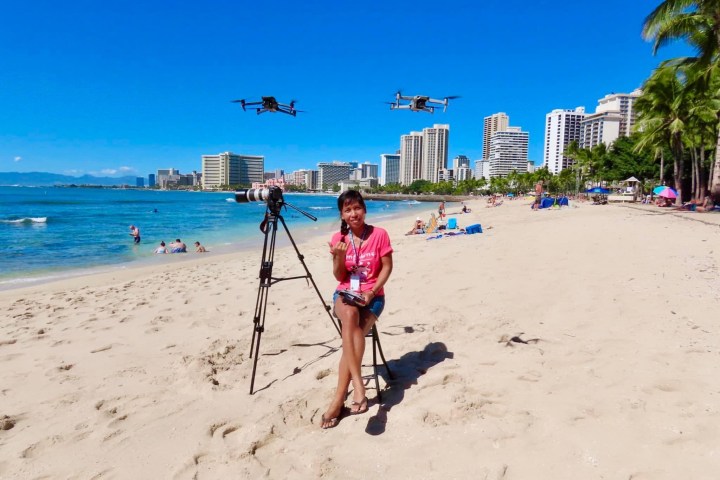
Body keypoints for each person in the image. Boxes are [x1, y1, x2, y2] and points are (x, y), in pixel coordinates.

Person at [321, 190, 393, 429]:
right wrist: (339, 257)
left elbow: (387, 268)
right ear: (342, 215)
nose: (354, 214)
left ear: (364, 209)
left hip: (373, 297)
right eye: (348, 210)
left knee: (352, 334)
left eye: (357, 208)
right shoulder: (338, 239)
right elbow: (339, 276)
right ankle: (359, 386)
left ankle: (337, 400)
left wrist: (371, 293)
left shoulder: (379, 234)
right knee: (350, 316)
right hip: (345, 293)